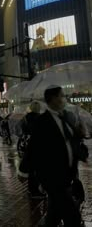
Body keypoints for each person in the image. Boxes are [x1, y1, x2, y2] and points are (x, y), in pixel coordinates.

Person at [19, 85, 88, 227]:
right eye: (61, 96)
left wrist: (80, 133)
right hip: (52, 175)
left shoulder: (64, 117)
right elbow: (33, 147)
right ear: (53, 99)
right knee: (73, 217)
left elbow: (70, 141)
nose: (64, 99)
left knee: (54, 214)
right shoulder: (42, 121)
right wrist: (23, 170)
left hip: (67, 175)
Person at [18, 101, 43, 198]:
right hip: (36, 144)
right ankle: (35, 191)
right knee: (37, 168)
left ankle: (31, 189)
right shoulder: (40, 118)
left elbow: (21, 130)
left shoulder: (25, 118)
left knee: (30, 166)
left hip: (25, 143)